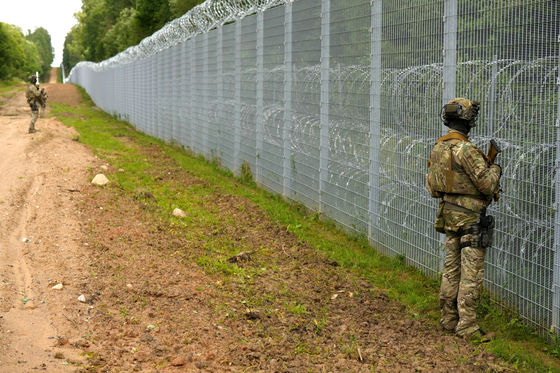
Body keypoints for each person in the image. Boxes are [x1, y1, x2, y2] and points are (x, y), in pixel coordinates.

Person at [426, 98, 501, 341]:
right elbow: (487, 186)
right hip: (470, 219)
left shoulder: (439, 147)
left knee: (451, 270)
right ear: (469, 120)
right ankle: (467, 326)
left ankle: (449, 319)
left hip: (449, 216)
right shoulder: (466, 150)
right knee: (471, 273)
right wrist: (496, 168)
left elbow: (433, 188)